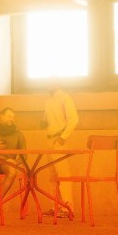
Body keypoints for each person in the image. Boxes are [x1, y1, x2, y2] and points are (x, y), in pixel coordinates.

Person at [41, 84, 79, 217]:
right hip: (49, 139)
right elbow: (46, 120)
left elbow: (74, 119)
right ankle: (55, 206)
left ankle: (67, 208)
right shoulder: (47, 101)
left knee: (63, 175)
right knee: (52, 177)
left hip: (59, 139)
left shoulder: (65, 98)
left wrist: (63, 137)